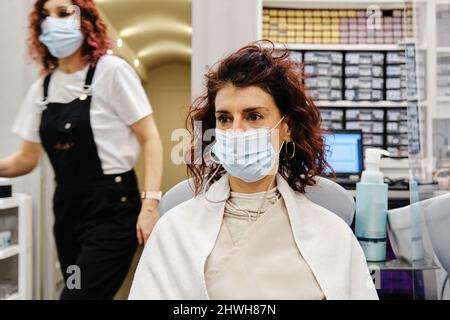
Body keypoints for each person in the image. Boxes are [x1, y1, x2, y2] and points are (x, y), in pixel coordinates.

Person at [128, 41, 378, 300]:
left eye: (253, 116)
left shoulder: (332, 234)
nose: (236, 131)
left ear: (286, 128)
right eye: (225, 118)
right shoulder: (174, 230)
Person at [0, 0, 163, 299]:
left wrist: (149, 206)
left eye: (63, 13)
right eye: (46, 16)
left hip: (112, 205)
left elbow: (150, 138)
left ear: (85, 19)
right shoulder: (43, 88)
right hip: (67, 209)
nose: (54, 22)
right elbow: (26, 159)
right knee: (74, 285)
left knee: (77, 297)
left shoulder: (112, 71)